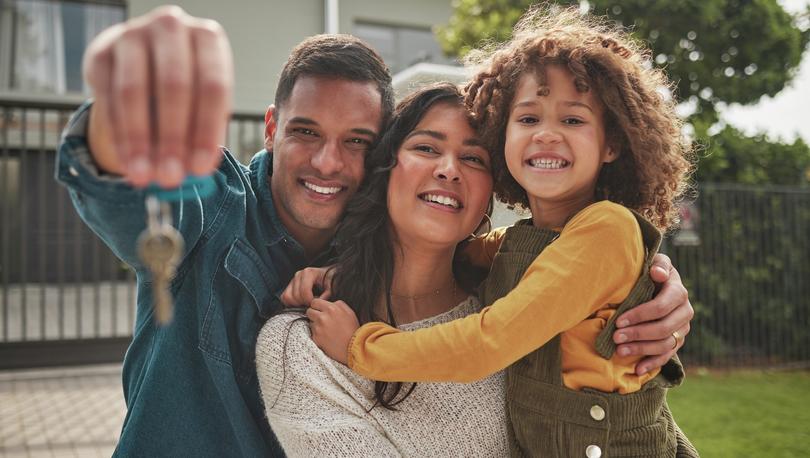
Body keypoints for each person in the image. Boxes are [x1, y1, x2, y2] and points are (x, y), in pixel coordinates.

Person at [55, 5, 692, 456]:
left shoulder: (497, 287)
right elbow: (137, 195)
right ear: (272, 126)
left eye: (472, 157)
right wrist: (124, 117)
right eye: (306, 133)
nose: (329, 162)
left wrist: (650, 285)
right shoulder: (227, 220)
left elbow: (549, 278)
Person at [300, 6, 699, 457]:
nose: (547, 134)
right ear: (502, 137)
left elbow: (490, 342)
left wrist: (361, 347)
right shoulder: (522, 241)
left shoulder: (607, 229)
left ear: (612, 144)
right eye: (529, 119)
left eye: (572, 119)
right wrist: (342, 272)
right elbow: (449, 256)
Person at [257, 83, 511, 456]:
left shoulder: (515, 313)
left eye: (474, 158)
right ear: (384, 170)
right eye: (426, 148)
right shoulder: (301, 347)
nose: (449, 170)